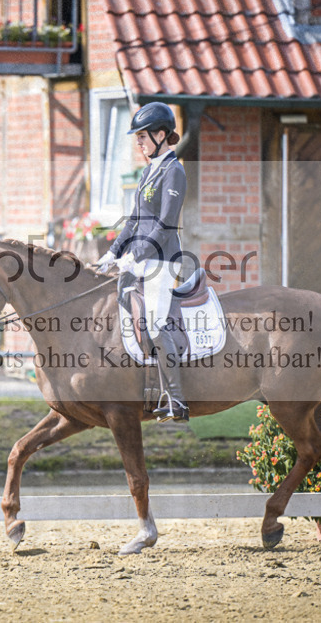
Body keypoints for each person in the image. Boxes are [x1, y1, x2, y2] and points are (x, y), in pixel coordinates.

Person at [96, 102, 189, 422]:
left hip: (162, 260)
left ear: (161, 135)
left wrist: (136, 256)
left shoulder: (174, 171)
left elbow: (165, 225)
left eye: (142, 136)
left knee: (155, 322)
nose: (138, 142)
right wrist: (113, 252)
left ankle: (177, 400)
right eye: (137, 137)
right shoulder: (150, 170)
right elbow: (134, 221)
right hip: (140, 260)